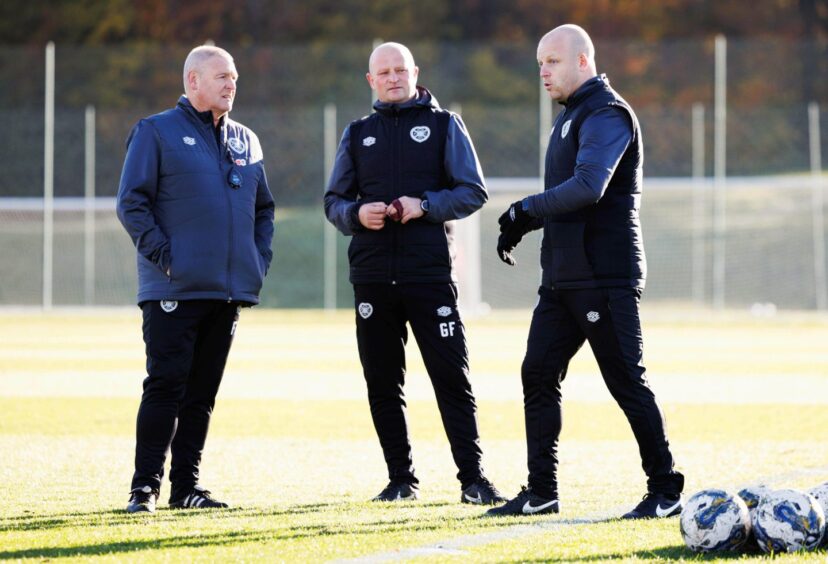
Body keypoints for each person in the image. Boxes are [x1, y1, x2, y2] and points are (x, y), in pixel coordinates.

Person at [487, 24, 684, 518]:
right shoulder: (570, 116)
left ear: (582, 61)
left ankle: (665, 489)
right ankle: (541, 491)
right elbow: (566, 201)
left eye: (552, 62)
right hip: (562, 279)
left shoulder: (607, 113)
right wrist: (527, 225)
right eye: (539, 64)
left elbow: (589, 186)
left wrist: (525, 210)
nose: (543, 72)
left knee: (625, 381)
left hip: (604, 276)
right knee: (537, 371)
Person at [324, 42, 505, 505]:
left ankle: (473, 480)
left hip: (428, 276)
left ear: (415, 73)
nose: (392, 77)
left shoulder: (444, 125)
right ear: (371, 81)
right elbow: (333, 202)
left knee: (452, 377)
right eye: (383, 71)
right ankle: (400, 480)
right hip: (372, 278)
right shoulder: (358, 132)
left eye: (400, 69)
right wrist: (357, 214)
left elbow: (473, 192)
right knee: (383, 382)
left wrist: (423, 206)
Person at [116, 45, 275, 514]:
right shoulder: (156, 130)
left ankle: (187, 488)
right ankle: (144, 489)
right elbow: (132, 203)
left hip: (226, 291)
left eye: (235, 77)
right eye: (222, 76)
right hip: (174, 288)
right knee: (165, 386)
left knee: (202, 394)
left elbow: (263, 208)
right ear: (193, 81)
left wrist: (256, 260)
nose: (231, 84)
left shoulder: (247, 139)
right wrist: (168, 260)